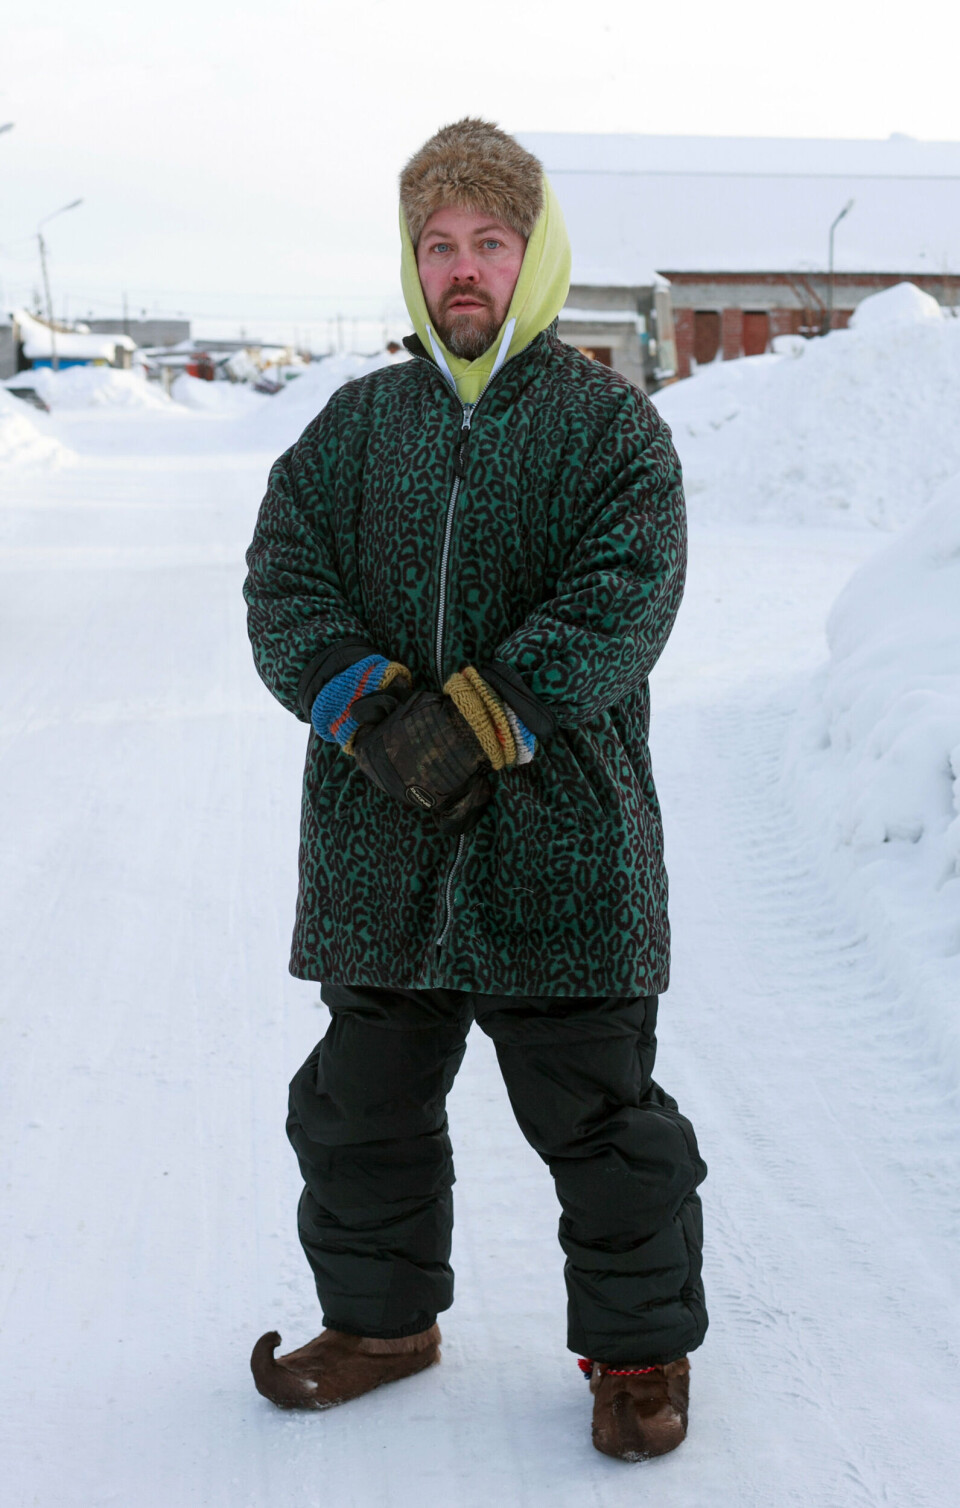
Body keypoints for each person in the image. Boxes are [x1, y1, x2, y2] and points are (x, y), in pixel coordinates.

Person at [243, 118, 707, 1462]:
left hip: (563, 842)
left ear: (534, 253)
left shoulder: (608, 428)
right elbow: (286, 582)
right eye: (437, 243)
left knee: (602, 1119)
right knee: (359, 1107)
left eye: (488, 243)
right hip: (382, 835)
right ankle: (381, 1326)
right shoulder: (352, 430)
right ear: (411, 260)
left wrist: (490, 716)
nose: (462, 269)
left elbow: (627, 593)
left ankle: (638, 1356)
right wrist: (366, 703)